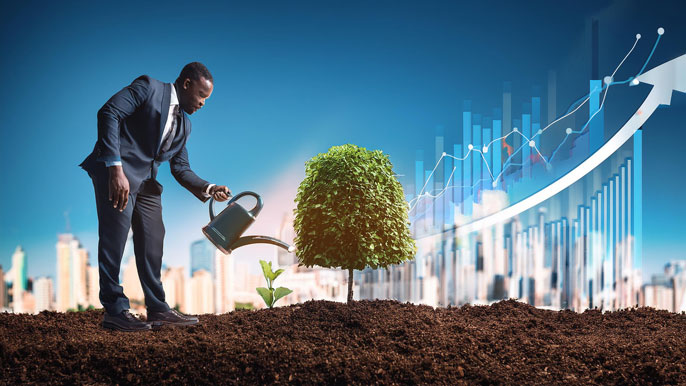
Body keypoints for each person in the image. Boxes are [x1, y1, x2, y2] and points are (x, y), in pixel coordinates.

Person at [79, 62, 230, 332]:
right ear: (186, 84)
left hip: (147, 183)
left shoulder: (185, 126)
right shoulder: (148, 88)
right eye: (201, 96)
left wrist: (210, 188)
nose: (203, 103)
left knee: (153, 239)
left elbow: (181, 168)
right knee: (115, 238)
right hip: (118, 174)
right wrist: (115, 169)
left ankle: (158, 308)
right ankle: (115, 310)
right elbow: (109, 112)